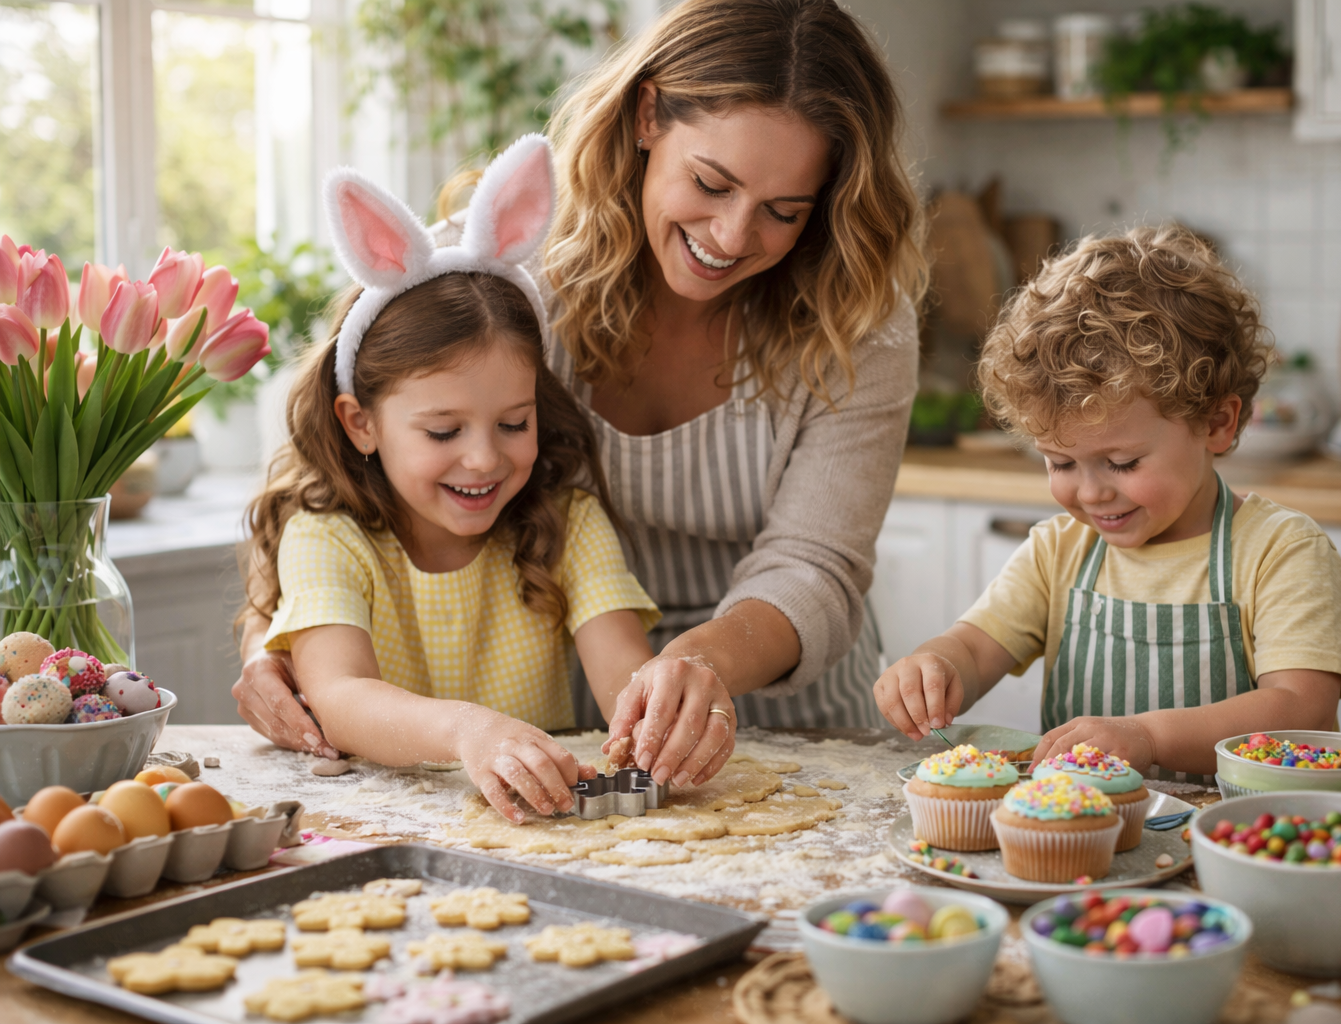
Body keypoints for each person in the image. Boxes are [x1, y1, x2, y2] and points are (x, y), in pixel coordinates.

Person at [234, 0, 926, 786]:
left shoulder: (858, 319)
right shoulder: (508, 267)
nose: (733, 237)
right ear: (647, 114)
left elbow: (816, 564)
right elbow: (325, 472)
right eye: (710, 182)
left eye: (783, 212)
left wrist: (697, 660)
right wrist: (271, 640)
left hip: (801, 712)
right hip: (586, 719)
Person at [242, 139, 661, 821]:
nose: (484, 460)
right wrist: (471, 731)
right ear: (361, 424)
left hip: (538, 836)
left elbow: (626, 684)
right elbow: (341, 696)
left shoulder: (568, 523)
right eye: (444, 432)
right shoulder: (327, 539)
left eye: (513, 422)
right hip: (375, 835)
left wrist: (656, 716)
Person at [873, 226, 1341, 781]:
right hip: (1079, 844)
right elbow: (975, 647)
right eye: (1060, 463)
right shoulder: (1059, 551)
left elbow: (1303, 710)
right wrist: (934, 667)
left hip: (1223, 844)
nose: (1090, 493)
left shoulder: (1280, 551)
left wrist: (1148, 737)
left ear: (1217, 424)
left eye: (1123, 463)